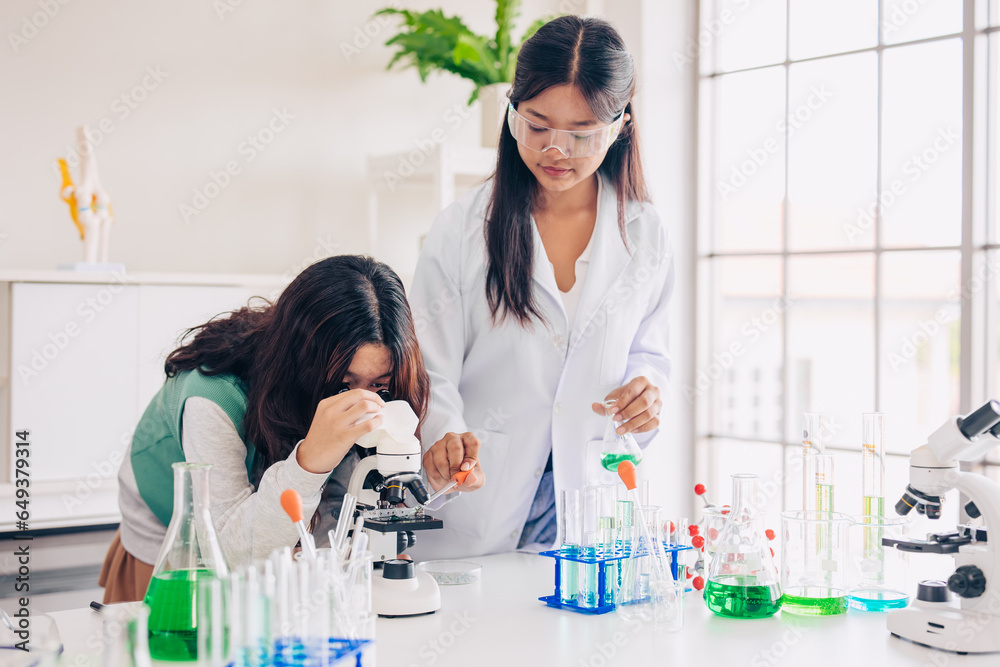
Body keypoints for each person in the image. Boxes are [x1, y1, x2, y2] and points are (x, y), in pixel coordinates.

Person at [409, 15, 674, 560]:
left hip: (591, 503)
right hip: (480, 502)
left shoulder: (645, 232)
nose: (556, 150)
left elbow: (649, 352)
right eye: (537, 126)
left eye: (581, 134)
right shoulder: (462, 230)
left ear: (620, 126)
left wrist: (648, 389)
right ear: (512, 113)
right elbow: (429, 369)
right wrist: (445, 434)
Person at [99, 255, 483, 602]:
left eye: (379, 386)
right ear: (303, 366)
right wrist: (310, 462)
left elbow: (344, 503)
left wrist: (431, 477)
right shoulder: (212, 395)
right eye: (344, 385)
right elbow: (232, 557)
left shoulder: (383, 381)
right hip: (173, 535)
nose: (364, 405)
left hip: (266, 525)